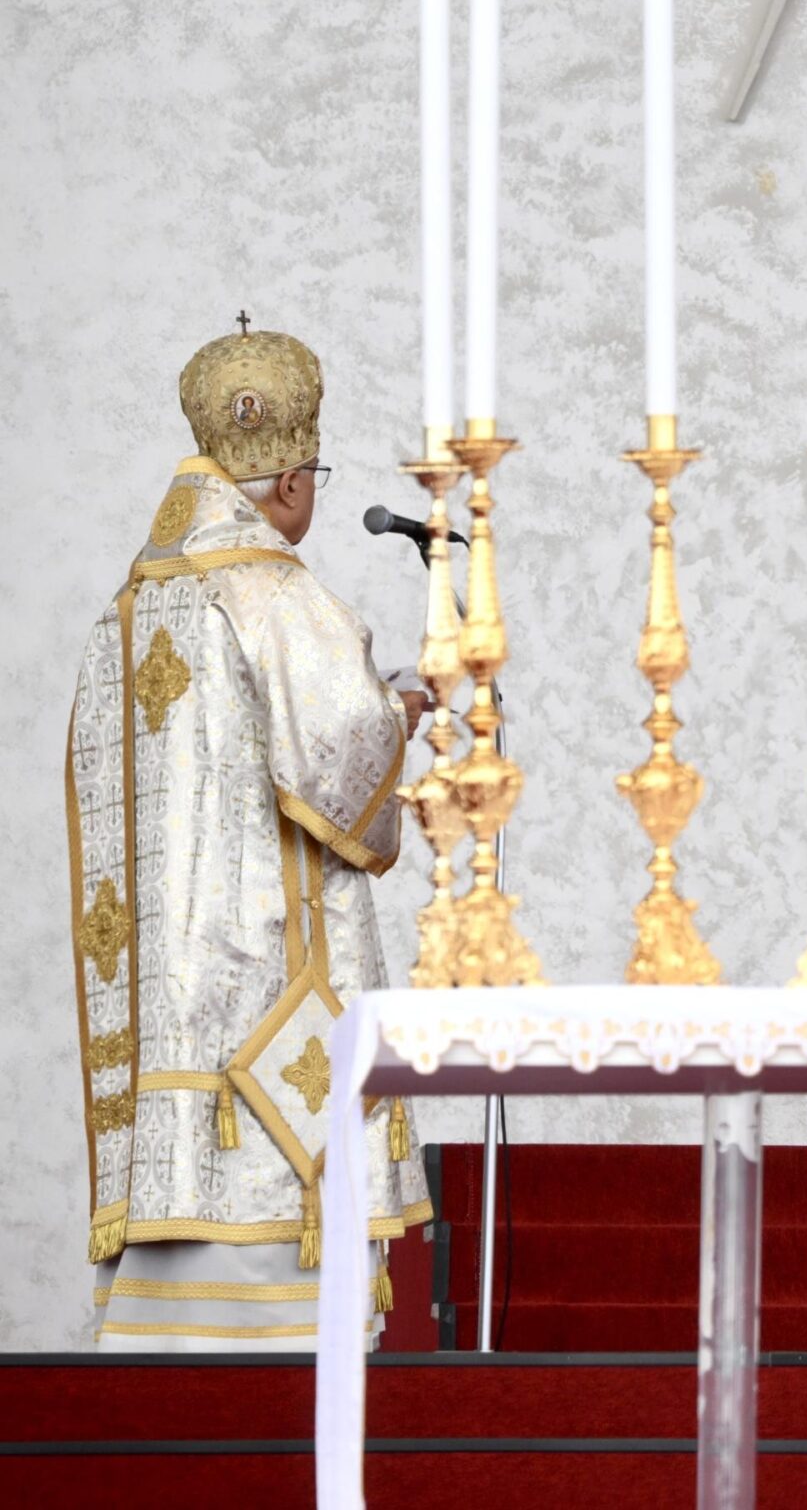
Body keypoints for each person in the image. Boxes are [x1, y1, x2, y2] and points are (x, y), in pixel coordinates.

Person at [67, 324, 431, 1349]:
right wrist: (401, 709)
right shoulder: (270, 588)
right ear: (290, 481)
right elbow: (339, 747)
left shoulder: (131, 607)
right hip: (265, 980)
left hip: (167, 990)